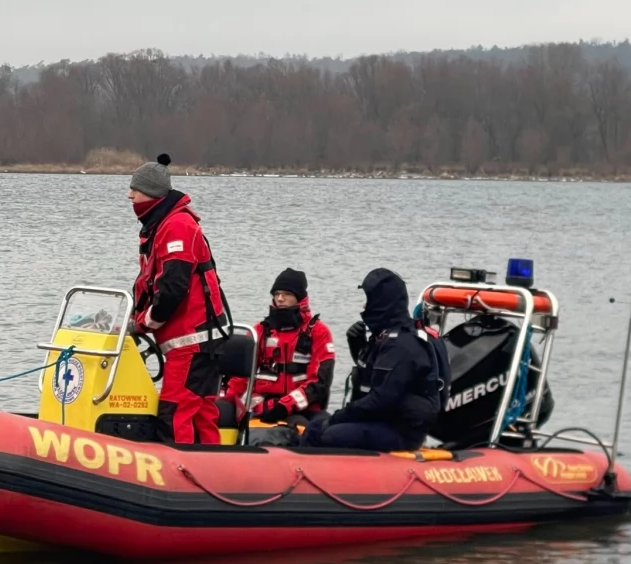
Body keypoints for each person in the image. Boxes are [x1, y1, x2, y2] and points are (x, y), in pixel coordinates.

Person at [128, 153, 230, 445]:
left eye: (135, 189)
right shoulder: (160, 226)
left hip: (193, 342)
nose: (130, 195)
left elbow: (172, 288)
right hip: (196, 342)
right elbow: (150, 285)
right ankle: (212, 465)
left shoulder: (177, 227)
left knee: (175, 412)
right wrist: (130, 319)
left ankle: (179, 467)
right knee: (200, 413)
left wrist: (143, 324)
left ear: (151, 193)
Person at [301, 268, 447, 452]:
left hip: (401, 431)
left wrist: (338, 417)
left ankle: (310, 467)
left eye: (368, 301)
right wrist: (358, 346)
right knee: (315, 427)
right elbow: (371, 377)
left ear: (381, 303)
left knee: (328, 434)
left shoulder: (403, 345)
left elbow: (381, 399)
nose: (364, 307)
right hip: (380, 421)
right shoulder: (384, 338)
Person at [224, 268, 335, 429]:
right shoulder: (260, 331)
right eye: (276, 294)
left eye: (287, 294)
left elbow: (319, 382)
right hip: (263, 408)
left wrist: (285, 405)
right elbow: (240, 377)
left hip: (303, 410)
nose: (280, 299)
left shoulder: (319, 332)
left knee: (324, 429)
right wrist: (226, 404)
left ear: (300, 298)